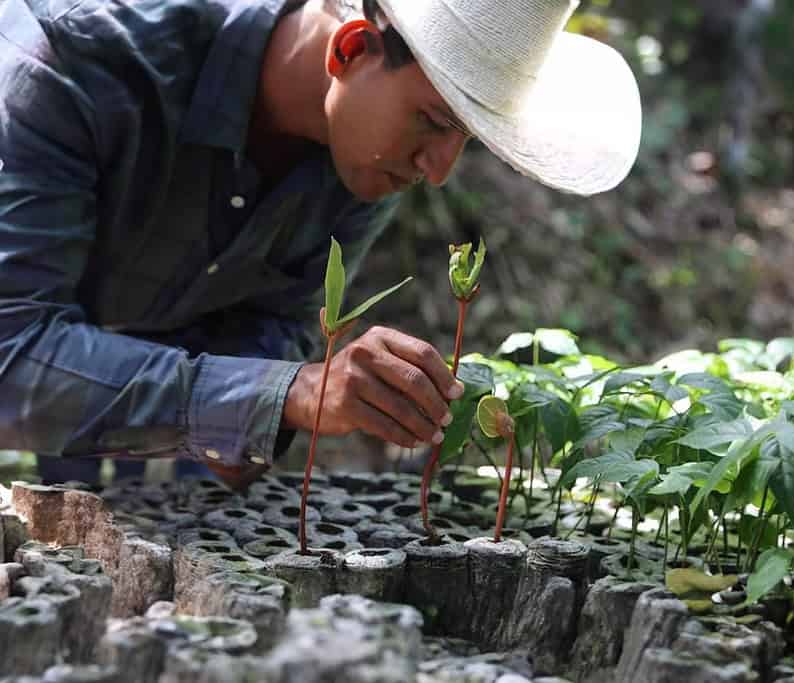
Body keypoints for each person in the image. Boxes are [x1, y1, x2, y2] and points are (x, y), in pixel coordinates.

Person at [0, 0, 642, 486]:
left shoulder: (363, 162)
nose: (439, 169)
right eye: (434, 120)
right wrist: (290, 393)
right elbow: (11, 358)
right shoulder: (77, 61)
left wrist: (272, 414)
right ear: (351, 49)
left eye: (465, 139)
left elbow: (266, 327)